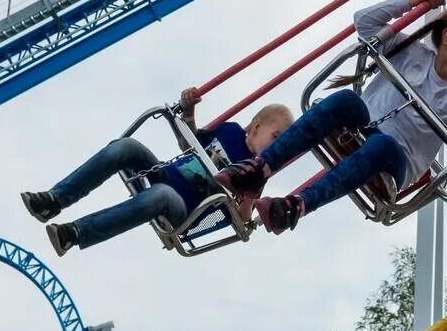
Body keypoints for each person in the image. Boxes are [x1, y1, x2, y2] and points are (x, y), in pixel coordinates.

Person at [213, 0, 447, 231]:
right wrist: (413, 0)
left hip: (393, 163)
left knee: (384, 144)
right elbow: (364, 23)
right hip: (360, 131)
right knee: (346, 100)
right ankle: (260, 169)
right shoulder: (411, 53)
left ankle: (296, 206)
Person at [20, 87, 292, 254]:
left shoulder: (257, 171)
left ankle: (75, 233)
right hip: (164, 174)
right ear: (256, 126)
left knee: (160, 195)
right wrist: (188, 112)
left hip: (184, 212)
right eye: (276, 136)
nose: (277, 145)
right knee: (125, 147)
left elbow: (242, 218)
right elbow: (189, 142)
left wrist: (251, 191)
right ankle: (54, 200)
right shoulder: (230, 130)